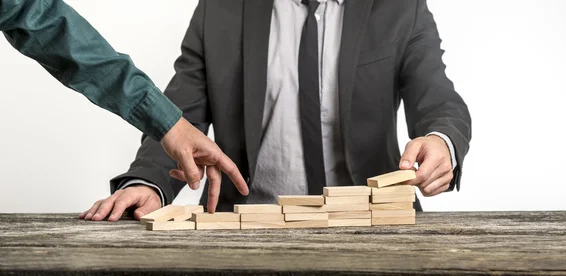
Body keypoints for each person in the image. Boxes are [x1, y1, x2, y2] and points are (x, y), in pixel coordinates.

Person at [81, 0, 472, 221]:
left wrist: (441, 142)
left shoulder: (400, 8)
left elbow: (439, 102)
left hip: (372, 222)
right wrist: (147, 183)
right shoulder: (219, 11)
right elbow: (180, 116)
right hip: (247, 225)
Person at [0, 0, 248, 195]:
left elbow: (43, 21)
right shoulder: (224, 8)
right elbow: (42, 20)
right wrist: (149, 182)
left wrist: (168, 124)